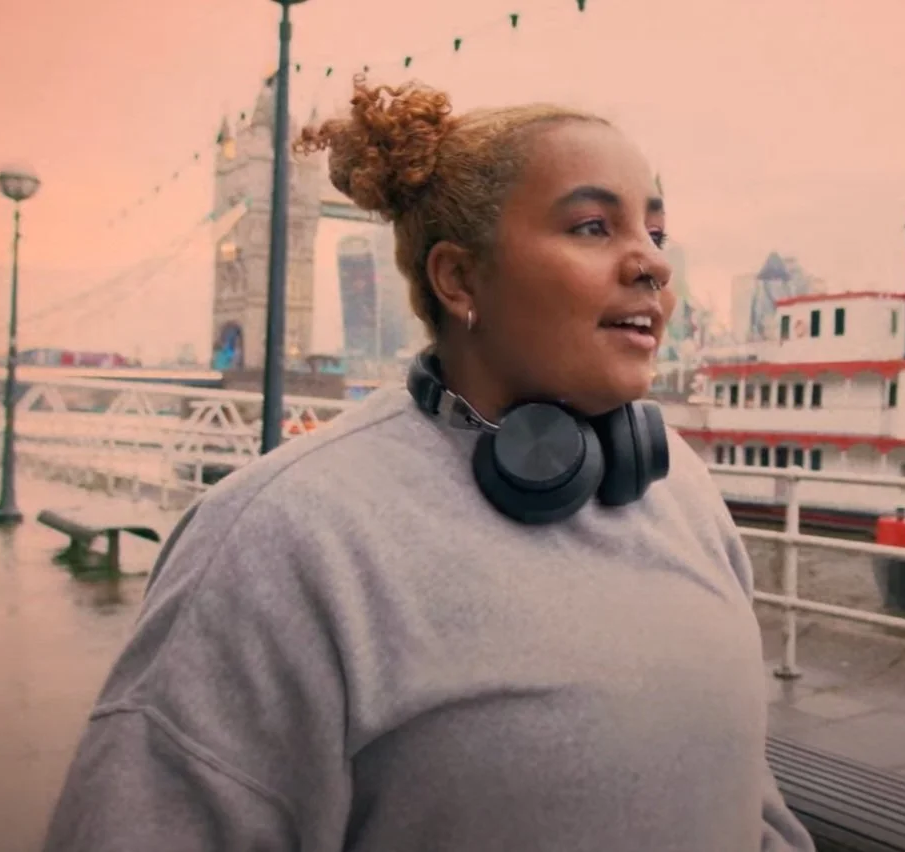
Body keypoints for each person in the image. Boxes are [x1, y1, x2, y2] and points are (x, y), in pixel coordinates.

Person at [43, 77, 814, 852]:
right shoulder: (282, 539)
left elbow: (753, 806)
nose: (651, 264)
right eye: (591, 227)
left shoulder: (680, 486)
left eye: (655, 232)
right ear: (458, 278)